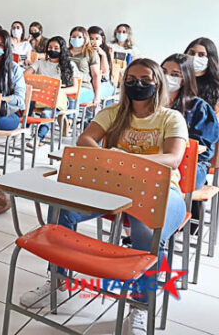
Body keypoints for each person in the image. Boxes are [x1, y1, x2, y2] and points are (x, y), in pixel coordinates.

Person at [19, 59, 187, 334]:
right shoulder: (114, 113)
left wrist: (131, 159)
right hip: (115, 185)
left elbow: (173, 158)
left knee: (146, 232)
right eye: (131, 79)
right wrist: (113, 157)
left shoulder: (170, 118)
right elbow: (85, 140)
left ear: (157, 82)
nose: (137, 84)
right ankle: (58, 281)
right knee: (62, 209)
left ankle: (140, 305)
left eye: (145, 79)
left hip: (160, 190)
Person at [162, 53, 218, 191]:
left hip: (191, 165)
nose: (167, 77)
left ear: (185, 79)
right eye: (163, 72)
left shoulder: (199, 108)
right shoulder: (150, 103)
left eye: (175, 74)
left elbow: (202, 151)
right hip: (158, 159)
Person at [25, 36, 79, 141]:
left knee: (47, 113)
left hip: (57, 99)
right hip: (39, 99)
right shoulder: (40, 63)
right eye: (49, 47)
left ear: (62, 50)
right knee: (27, 99)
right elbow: (25, 77)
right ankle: (25, 128)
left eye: (56, 48)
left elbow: (75, 88)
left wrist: (57, 91)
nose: (52, 50)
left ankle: (38, 138)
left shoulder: (70, 65)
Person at [68, 26, 108, 107]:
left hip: (84, 86)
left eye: (79, 37)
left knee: (71, 97)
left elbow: (96, 75)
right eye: (74, 37)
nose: (76, 39)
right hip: (67, 85)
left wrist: (97, 96)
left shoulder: (91, 53)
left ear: (85, 38)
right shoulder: (65, 52)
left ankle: (70, 119)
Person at [185, 37, 219, 114]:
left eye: (201, 55)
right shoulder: (178, 81)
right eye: (192, 53)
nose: (195, 57)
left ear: (210, 59)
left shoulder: (216, 87)